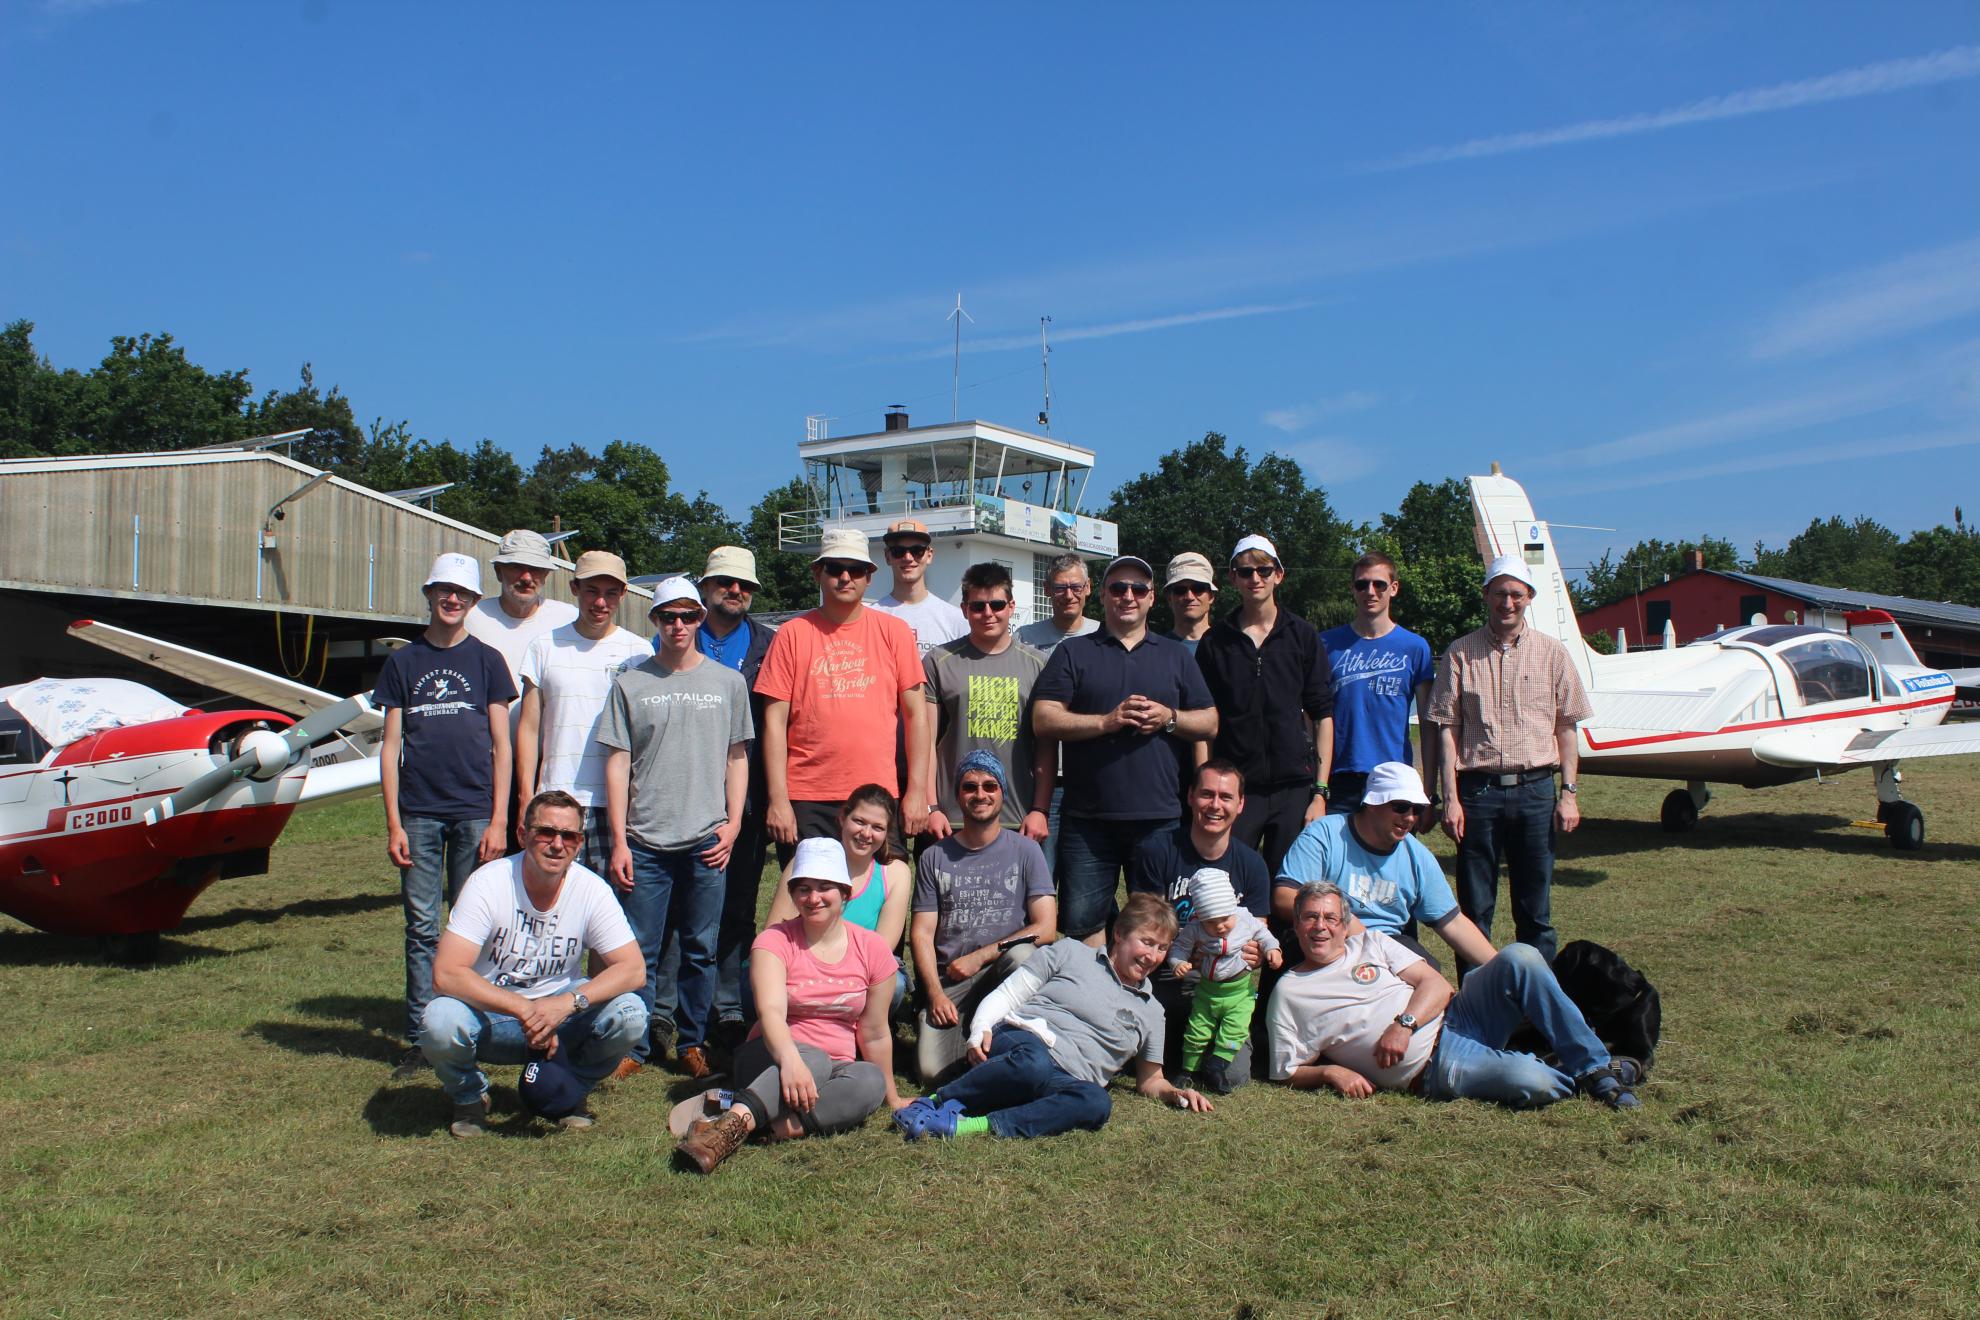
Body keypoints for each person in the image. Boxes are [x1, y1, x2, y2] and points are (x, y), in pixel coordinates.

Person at [1265, 881, 1640, 1109]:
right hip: (1434, 1066)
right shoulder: (1291, 993)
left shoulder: (1371, 943)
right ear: (1295, 924)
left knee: (1521, 957)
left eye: (1330, 918)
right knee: (1533, 1081)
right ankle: (1564, 1070)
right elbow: (1285, 1071)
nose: (1320, 927)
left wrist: (1404, 1025)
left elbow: (1437, 985)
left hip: (1460, 1012)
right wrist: (1330, 1072)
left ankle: (1596, 1068)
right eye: (1310, 917)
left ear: (1345, 925)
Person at [892, 892, 1214, 1140]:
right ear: (1119, 934)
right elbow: (1009, 995)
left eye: (1162, 948)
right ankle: (934, 1101)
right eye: (1147, 942)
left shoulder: (1152, 1010)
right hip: (1024, 1042)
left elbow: (1150, 1079)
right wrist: (980, 1030)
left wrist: (1174, 1093)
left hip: (1067, 1078)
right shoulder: (1071, 952)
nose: (1153, 956)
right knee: (1033, 1064)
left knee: (1097, 1103)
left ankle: (968, 1126)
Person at [422, 790, 649, 1137]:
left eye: (568, 836)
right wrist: (524, 1009)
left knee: (631, 1012)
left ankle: (569, 1091)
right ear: (522, 834)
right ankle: (469, 1097)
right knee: (439, 1020)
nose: (557, 844)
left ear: (579, 843)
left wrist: (568, 1003)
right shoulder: (488, 883)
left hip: (560, 1014)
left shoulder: (592, 889)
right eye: (546, 832)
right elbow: (446, 973)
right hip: (493, 1015)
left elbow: (633, 969)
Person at [597, 576, 751, 1083]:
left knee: (701, 948)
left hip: (707, 838)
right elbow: (618, 763)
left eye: (688, 615)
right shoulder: (630, 683)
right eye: (669, 617)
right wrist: (619, 840)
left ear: (700, 619)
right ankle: (636, 1044)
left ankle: (691, 1042)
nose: (679, 625)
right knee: (640, 948)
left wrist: (733, 824)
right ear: (655, 621)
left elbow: (737, 757)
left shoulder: (727, 682)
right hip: (644, 839)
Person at [672, 838, 904, 1173]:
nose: (813, 898)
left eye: (825, 887)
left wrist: (892, 1097)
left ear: (845, 893)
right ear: (793, 895)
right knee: (814, 1059)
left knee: (870, 1080)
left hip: (834, 1069)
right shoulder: (773, 942)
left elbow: (875, 1032)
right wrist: (792, 1061)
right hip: (772, 1057)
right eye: (803, 889)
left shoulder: (873, 949)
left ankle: (768, 1126)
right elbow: (770, 1013)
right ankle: (725, 1133)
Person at [375, 552, 518, 1081]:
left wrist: (499, 819)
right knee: (421, 928)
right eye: (444, 591)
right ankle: (421, 1037)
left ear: (474, 601)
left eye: (461, 593)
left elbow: (503, 746)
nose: (452, 600)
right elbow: (390, 748)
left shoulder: (488, 661)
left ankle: (469, 1025)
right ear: (430, 595)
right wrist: (394, 823)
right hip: (419, 813)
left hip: (475, 812)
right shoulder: (403, 663)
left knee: (472, 928)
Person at [1033, 554, 1217, 946]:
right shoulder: (1074, 652)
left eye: (1138, 589)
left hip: (1159, 818)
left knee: (1155, 926)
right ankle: (1094, 985)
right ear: (1102, 595)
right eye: (1118, 588)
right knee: (1083, 925)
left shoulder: (1174, 655)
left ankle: (1144, 987)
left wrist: (1169, 717)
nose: (1128, 596)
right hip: (1088, 819)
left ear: (1152, 597)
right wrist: (1105, 722)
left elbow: (1209, 721)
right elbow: (1044, 718)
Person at [1429, 554, 1594, 973]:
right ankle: (1476, 1000)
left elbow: (1567, 727)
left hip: (1536, 791)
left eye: (1516, 595)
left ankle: (1536, 1000)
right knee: (1474, 910)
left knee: (1535, 910)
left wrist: (1569, 794)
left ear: (1529, 597)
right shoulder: (1460, 653)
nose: (1508, 603)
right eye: (1500, 593)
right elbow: (1447, 730)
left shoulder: (1552, 653)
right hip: (1478, 793)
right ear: (1486, 595)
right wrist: (1451, 799)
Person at [755, 527, 932, 864]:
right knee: (813, 892)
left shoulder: (894, 632)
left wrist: (917, 792)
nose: (846, 577)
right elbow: (774, 723)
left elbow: (916, 716)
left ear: (869, 576)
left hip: (878, 795)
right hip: (809, 796)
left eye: (856, 570)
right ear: (818, 573)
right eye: (835, 568)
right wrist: (779, 799)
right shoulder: (792, 634)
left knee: (881, 892)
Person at [911, 751, 1058, 1085]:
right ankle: (972, 1040)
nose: (980, 794)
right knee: (932, 1073)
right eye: (970, 787)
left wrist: (981, 956)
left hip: (1003, 971)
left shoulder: (1026, 850)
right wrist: (934, 994)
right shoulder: (934, 857)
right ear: (957, 796)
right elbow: (920, 934)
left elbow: (1046, 928)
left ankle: (1014, 1041)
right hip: (954, 980)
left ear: (1002, 794)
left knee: (1024, 955)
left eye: (990, 786)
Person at [1194, 534, 1336, 876]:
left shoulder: (1302, 635)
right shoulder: (1215, 642)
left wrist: (1320, 792)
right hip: (1236, 786)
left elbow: (1322, 715)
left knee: (1288, 886)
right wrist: (1205, 787)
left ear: (1279, 575)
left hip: (1293, 786)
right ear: (1233, 578)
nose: (1255, 578)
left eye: (1264, 570)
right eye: (1245, 572)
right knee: (1226, 882)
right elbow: (1204, 721)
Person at [1126, 759, 1270, 1084]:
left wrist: (1256, 954)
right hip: (1164, 978)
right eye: (1207, 794)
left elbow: (1257, 937)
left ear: (1240, 804)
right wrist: (1188, 952)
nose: (1215, 805)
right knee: (1137, 1052)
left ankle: (1196, 1049)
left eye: (1226, 797)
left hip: (1223, 989)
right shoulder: (1157, 851)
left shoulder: (1252, 865)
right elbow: (1142, 929)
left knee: (1233, 1076)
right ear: (1190, 796)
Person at [1275, 762, 1497, 972]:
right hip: (1324, 938)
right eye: (1401, 807)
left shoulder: (1417, 856)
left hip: (1388, 945)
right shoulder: (1324, 834)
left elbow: (1453, 923)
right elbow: (1284, 896)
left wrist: (1502, 967)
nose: (1409, 817)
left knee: (1431, 976)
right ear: (1372, 803)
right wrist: (1345, 921)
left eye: (1417, 809)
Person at [693, 545, 780, 1049]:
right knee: (684, 907)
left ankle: (729, 1006)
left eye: (745, 585)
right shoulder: (678, 634)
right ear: (705, 587)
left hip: (748, 795)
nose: (735, 591)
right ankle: (679, 1008)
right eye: (725, 582)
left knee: (738, 904)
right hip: (685, 790)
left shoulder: (771, 645)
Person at [515, 550, 651, 871]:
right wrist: (526, 797)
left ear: (623, 594)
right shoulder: (543, 646)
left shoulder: (639, 653)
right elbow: (529, 729)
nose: (600, 602)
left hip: (616, 802)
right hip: (556, 799)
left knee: (610, 896)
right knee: (554, 893)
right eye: (592, 591)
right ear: (574, 588)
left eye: (610, 593)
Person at [922, 561, 1054, 843]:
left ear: (1011, 606)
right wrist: (931, 806)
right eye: (978, 606)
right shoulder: (939, 661)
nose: (988, 613)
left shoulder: (1039, 664)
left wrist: (1040, 809)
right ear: (964, 609)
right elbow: (926, 742)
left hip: (1018, 816)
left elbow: (1046, 745)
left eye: (996, 605)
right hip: (952, 816)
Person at [762, 783, 912, 1011]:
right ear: (842, 818)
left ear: (887, 832)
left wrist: (837, 978)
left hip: (863, 967)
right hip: (804, 962)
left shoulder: (895, 873)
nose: (866, 833)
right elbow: (774, 933)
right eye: (859, 821)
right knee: (760, 978)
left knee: (896, 985)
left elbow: (881, 949)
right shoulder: (806, 862)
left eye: (877, 827)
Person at [1319, 551, 1438, 814]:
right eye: (1362, 584)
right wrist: (1317, 785)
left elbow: (1429, 725)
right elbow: (1313, 717)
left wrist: (1429, 791)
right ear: (1352, 588)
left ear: (1393, 588)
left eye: (1379, 584)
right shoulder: (1326, 644)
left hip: (1394, 777)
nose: (1370, 592)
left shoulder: (1415, 647)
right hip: (1339, 777)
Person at [1014, 552, 1099, 875]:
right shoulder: (1025, 639)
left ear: (1088, 588)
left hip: (1089, 774)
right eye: (1060, 587)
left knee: (1086, 875)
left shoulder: (1103, 635)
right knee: (1041, 874)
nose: (1069, 595)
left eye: (1076, 587)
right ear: (1047, 589)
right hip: (1040, 777)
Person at [1167, 867, 1281, 1094]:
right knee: (1197, 1030)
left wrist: (1273, 949)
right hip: (1206, 992)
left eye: (1225, 919)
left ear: (1233, 908)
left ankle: (1217, 1065)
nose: (1219, 926)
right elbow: (1179, 947)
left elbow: (1265, 935)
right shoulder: (1195, 928)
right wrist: (1177, 962)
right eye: (1211, 922)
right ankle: (1188, 1070)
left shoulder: (1244, 919)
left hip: (1239, 994)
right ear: (1200, 916)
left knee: (1235, 1029)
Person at [464, 529, 578, 714]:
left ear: (546, 575)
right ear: (499, 571)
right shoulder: (471, 618)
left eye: (535, 569)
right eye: (517, 567)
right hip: (486, 733)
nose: (526, 577)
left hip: (549, 734)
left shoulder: (569, 619)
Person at [871, 518, 967, 650]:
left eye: (917, 550)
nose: (908, 558)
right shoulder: (870, 617)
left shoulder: (956, 619)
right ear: (887, 557)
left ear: (929, 555)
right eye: (898, 551)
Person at [1162, 551, 1217, 655]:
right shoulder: (1156, 652)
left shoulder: (1229, 647)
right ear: (1169, 598)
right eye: (1180, 590)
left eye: (1198, 588)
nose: (1189, 597)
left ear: (1211, 596)